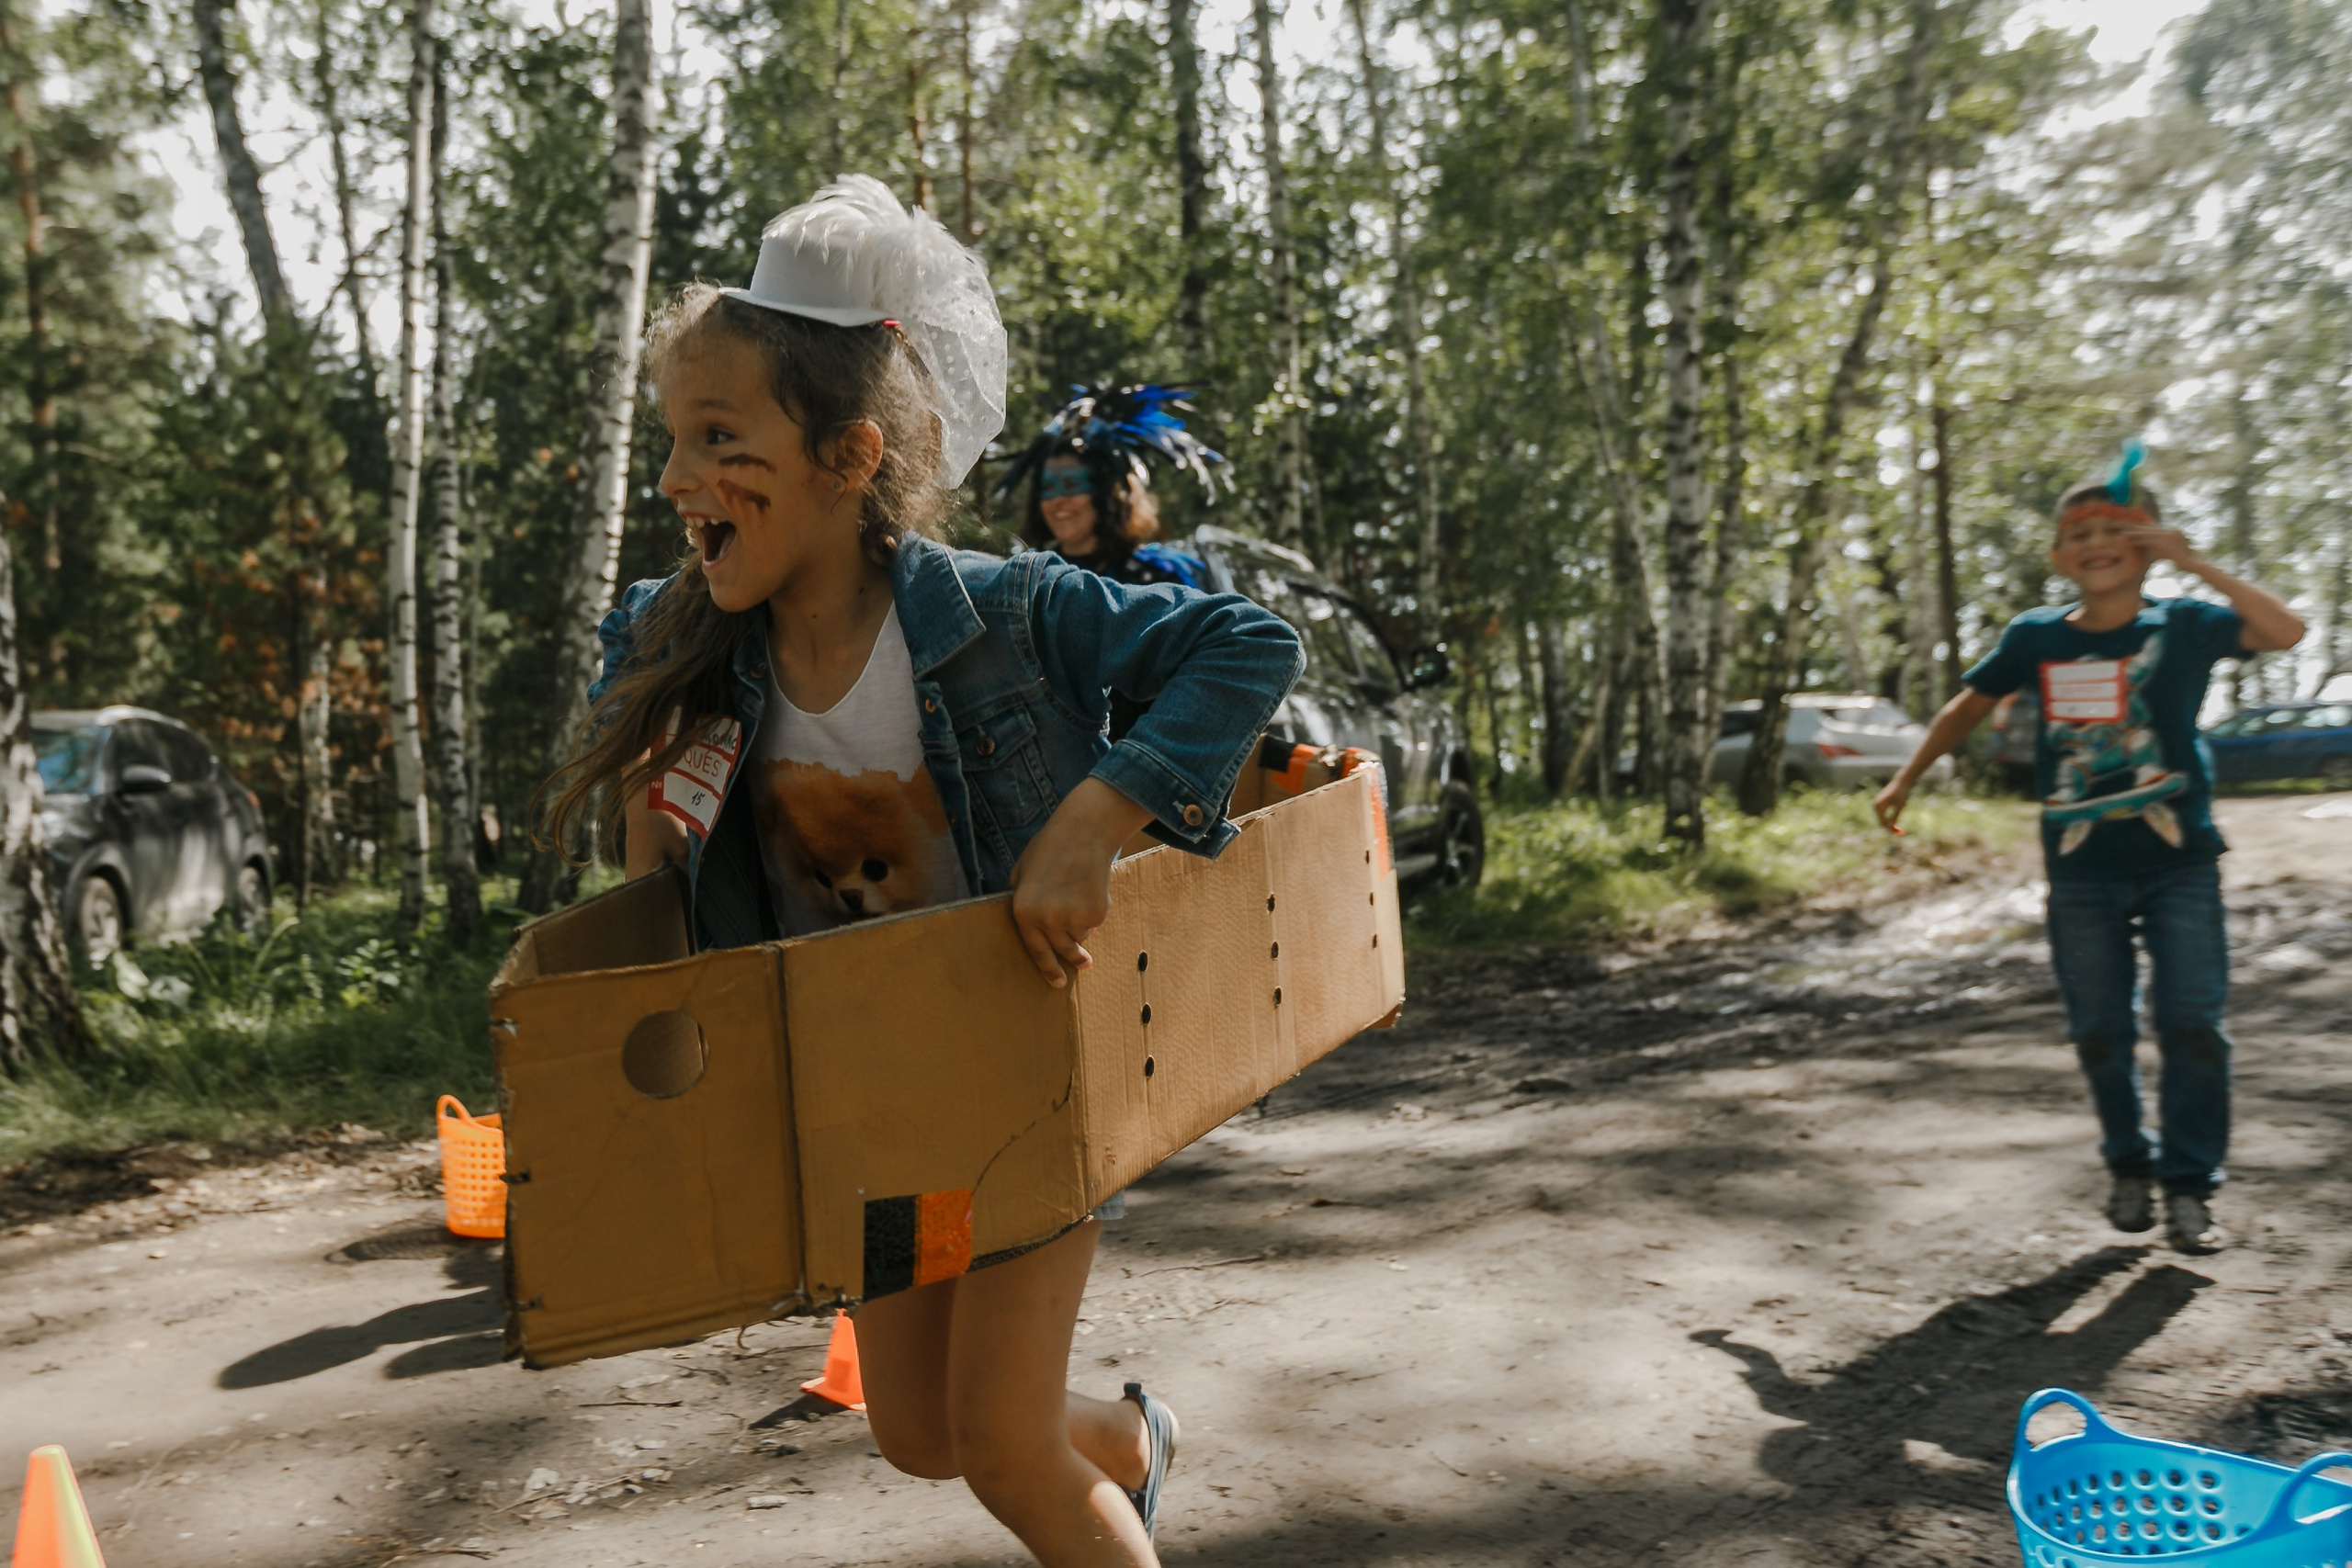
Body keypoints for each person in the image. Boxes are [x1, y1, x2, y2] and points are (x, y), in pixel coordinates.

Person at [539, 176, 1304, 1566]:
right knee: (920, 1431)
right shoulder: (695, 637)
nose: (674, 478)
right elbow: (637, 777)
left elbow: (1244, 645)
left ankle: (1088, 1475)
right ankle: (1134, 1442)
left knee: (1003, 1445)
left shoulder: (1007, 610)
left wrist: (1094, 819)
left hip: (1027, 1076)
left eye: (718, 438)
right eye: (671, 440)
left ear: (847, 456)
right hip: (873, 1105)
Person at [1873, 448, 2303, 1255]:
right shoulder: (2035, 637)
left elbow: (2286, 631)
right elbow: (1968, 708)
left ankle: (2189, 1186)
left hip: (2181, 862)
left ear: (2146, 543)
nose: (2098, 542)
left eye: (2119, 528)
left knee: (2193, 1024)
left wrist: (2192, 560)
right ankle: (2128, 1165)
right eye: (2081, 532)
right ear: (2058, 556)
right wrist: (1905, 777)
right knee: (2100, 1028)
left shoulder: (2185, 623)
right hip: (2080, 873)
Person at [998, 383, 1219, 590]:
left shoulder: (1160, 577)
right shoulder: (1024, 579)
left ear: (1108, 495)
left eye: (1072, 485)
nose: (1058, 500)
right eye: (1048, 488)